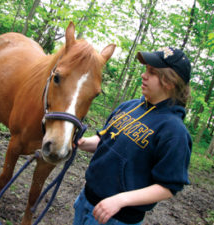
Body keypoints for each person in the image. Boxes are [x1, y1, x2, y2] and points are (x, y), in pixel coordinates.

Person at [73, 47, 192, 225]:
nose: (144, 75)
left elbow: (168, 187)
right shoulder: (129, 106)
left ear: (169, 82)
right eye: (146, 70)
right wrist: (82, 142)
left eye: (152, 72)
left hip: (117, 218)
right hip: (86, 200)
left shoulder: (174, 131)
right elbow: (105, 141)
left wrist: (120, 200)